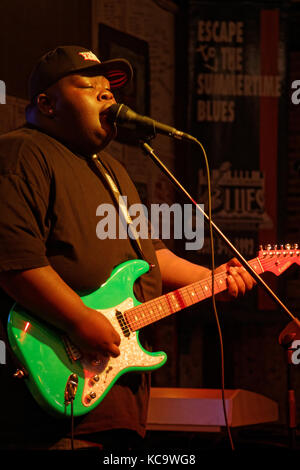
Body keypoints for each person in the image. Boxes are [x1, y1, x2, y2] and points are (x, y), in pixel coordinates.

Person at [0, 45, 255, 452]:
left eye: (110, 90)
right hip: (52, 395)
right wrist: (79, 320)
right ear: (47, 104)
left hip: (117, 398)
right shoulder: (23, 153)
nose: (108, 96)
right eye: (90, 86)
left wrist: (215, 279)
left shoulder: (113, 170)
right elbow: (15, 262)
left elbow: (152, 258)